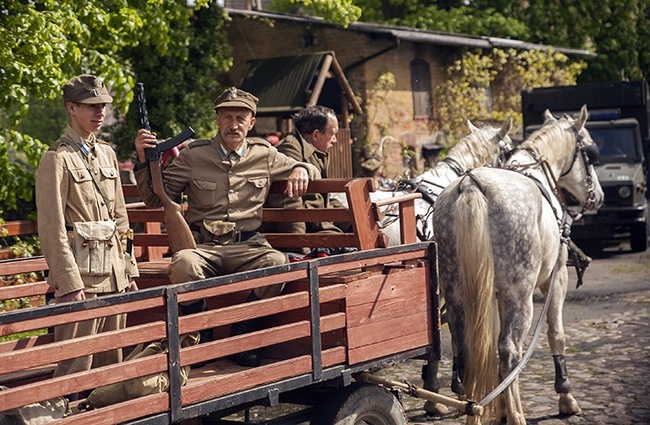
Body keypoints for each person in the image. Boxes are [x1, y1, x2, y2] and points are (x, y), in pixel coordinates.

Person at [133, 87, 320, 367]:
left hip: (248, 247)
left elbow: (311, 167)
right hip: (203, 247)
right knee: (183, 264)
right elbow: (153, 197)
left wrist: (302, 169)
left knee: (279, 263)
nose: (234, 125)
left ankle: (242, 330)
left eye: (240, 118)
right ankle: (203, 329)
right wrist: (142, 159)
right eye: (227, 117)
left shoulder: (265, 154)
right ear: (217, 120)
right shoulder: (194, 156)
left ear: (251, 123)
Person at [36, 74, 139, 391]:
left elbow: (120, 218)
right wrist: (67, 283)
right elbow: (52, 229)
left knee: (111, 362)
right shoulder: (57, 158)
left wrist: (128, 269)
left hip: (113, 275)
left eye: (104, 106)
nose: (100, 112)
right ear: (71, 108)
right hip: (82, 277)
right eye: (92, 106)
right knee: (75, 365)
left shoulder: (107, 153)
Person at [262, 105, 347, 251]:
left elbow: (323, 199)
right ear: (315, 135)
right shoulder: (290, 150)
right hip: (311, 233)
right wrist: (301, 250)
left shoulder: (315, 152)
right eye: (332, 134)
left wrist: (351, 218)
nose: (335, 140)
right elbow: (288, 201)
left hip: (318, 225)